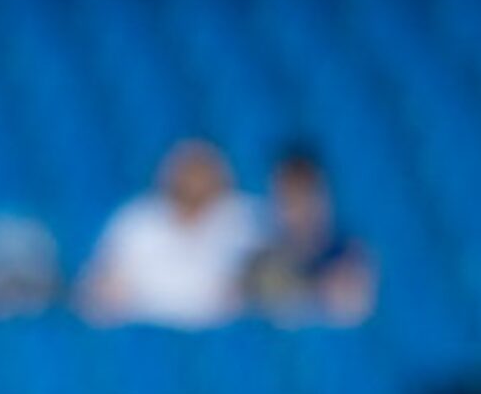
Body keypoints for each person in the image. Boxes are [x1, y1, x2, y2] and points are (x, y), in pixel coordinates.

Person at [74, 139, 264, 329]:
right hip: (144, 336)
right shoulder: (136, 220)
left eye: (202, 170)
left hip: (225, 336)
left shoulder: (246, 220)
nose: (194, 180)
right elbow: (96, 287)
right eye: (187, 171)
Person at [242, 146, 376, 326]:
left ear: (323, 198)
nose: (299, 211)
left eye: (305, 195)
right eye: (290, 199)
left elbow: (354, 310)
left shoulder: (350, 257)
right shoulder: (259, 264)